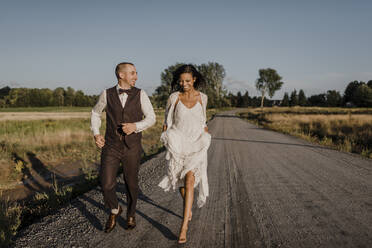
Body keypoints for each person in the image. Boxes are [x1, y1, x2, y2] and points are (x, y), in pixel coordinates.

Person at [91, 62, 156, 233]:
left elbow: (151, 118)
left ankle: (131, 213)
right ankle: (114, 209)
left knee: (131, 184)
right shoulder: (106, 94)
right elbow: (95, 113)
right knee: (106, 184)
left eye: (136, 73)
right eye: (133, 73)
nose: (136, 76)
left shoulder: (141, 94)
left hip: (132, 147)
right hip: (111, 145)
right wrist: (96, 134)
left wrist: (135, 126)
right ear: (121, 75)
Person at [158, 64, 211, 243]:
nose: (184, 83)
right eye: (181, 81)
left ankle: (183, 227)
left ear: (194, 79)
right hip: (178, 143)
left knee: (189, 180)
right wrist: (166, 142)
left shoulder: (203, 97)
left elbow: (202, 119)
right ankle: (188, 208)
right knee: (181, 181)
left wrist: (206, 132)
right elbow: (167, 122)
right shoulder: (174, 97)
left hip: (196, 144)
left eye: (187, 80)